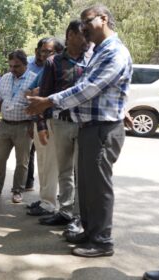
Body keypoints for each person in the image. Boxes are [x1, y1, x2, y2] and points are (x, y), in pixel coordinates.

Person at [27, 4, 133, 257]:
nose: (83, 28)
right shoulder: (99, 51)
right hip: (88, 127)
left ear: (104, 19)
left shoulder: (115, 52)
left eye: (87, 22)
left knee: (98, 188)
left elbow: (89, 88)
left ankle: (102, 241)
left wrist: (49, 101)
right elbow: (85, 86)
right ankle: (89, 232)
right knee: (85, 187)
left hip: (103, 130)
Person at [35, 20, 91, 231]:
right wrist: (41, 125)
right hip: (60, 123)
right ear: (69, 35)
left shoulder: (93, 60)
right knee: (64, 171)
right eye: (82, 34)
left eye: (88, 35)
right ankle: (66, 212)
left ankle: (79, 216)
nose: (86, 39)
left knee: (81, 172)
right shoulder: (53, 62)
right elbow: (43, 95)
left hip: (86, 125)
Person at [0, 50, 35, 203]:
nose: (12, 69)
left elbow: (37, 105)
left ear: (25, 65)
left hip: (24, 126)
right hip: (5, 125)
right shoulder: (5, 78)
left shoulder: (33, 79)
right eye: (10, 66)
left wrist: (33, 125)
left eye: (16, 66)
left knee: (22, 162)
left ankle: (18, 190)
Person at [26, 37, 64, 217]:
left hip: (52, 121)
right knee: (42, 162)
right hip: (39, 120)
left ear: (58, 51)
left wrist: (38, 95)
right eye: (42, 51)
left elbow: (44, 95)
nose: (43, 55)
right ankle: (44, 199)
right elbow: (29, 92)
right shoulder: (44, 70)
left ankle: (49, 203)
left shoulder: (60, 68)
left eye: (48, 51)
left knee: (50, 164)